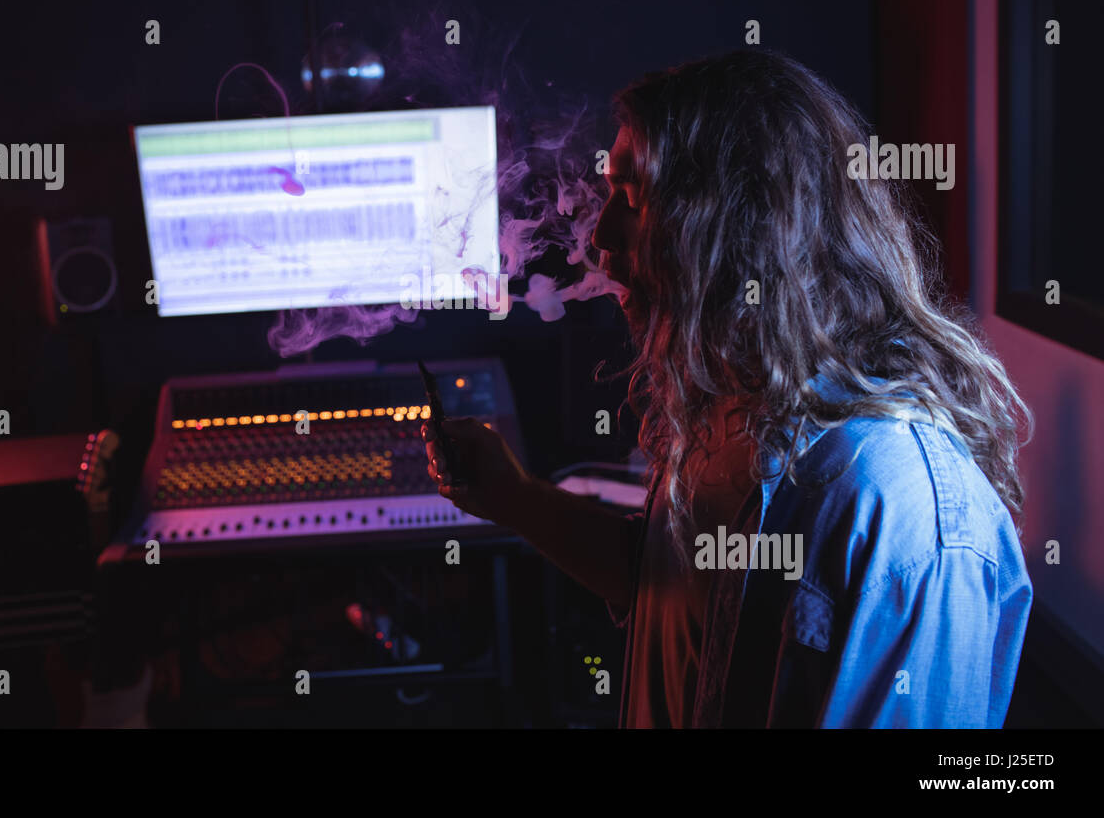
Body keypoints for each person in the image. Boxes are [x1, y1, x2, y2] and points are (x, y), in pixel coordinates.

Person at [421, 48, 1033, 728]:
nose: (599, 238)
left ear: (742, 228)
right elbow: (673, 591)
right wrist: (516, 499)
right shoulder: (729, 404)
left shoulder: (899, 508)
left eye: (632, 200)